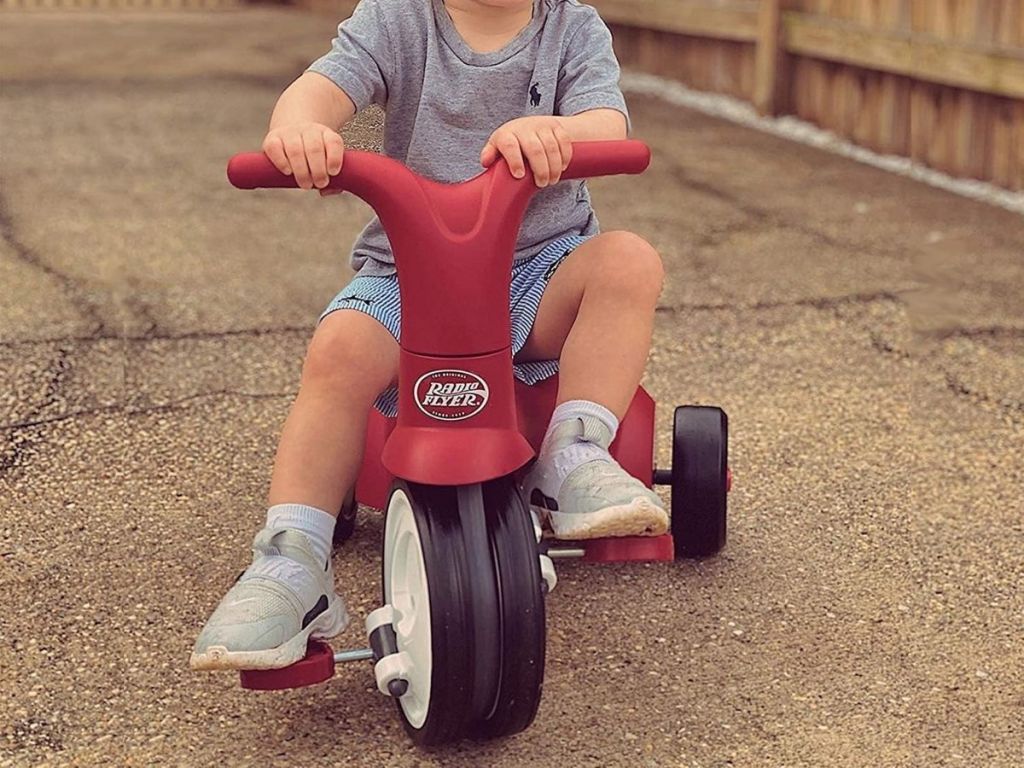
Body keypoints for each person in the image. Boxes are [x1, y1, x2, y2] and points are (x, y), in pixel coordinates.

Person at [191, 0, 667, 671]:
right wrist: (301, 129)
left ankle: (574, 453)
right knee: (339, 351)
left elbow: (606, 122)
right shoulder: (397, 20)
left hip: (537, 271)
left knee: (628, 262)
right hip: (410, 276)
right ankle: (290, 563)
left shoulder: (572, 27)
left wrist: (558, 133)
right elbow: (323, 86)